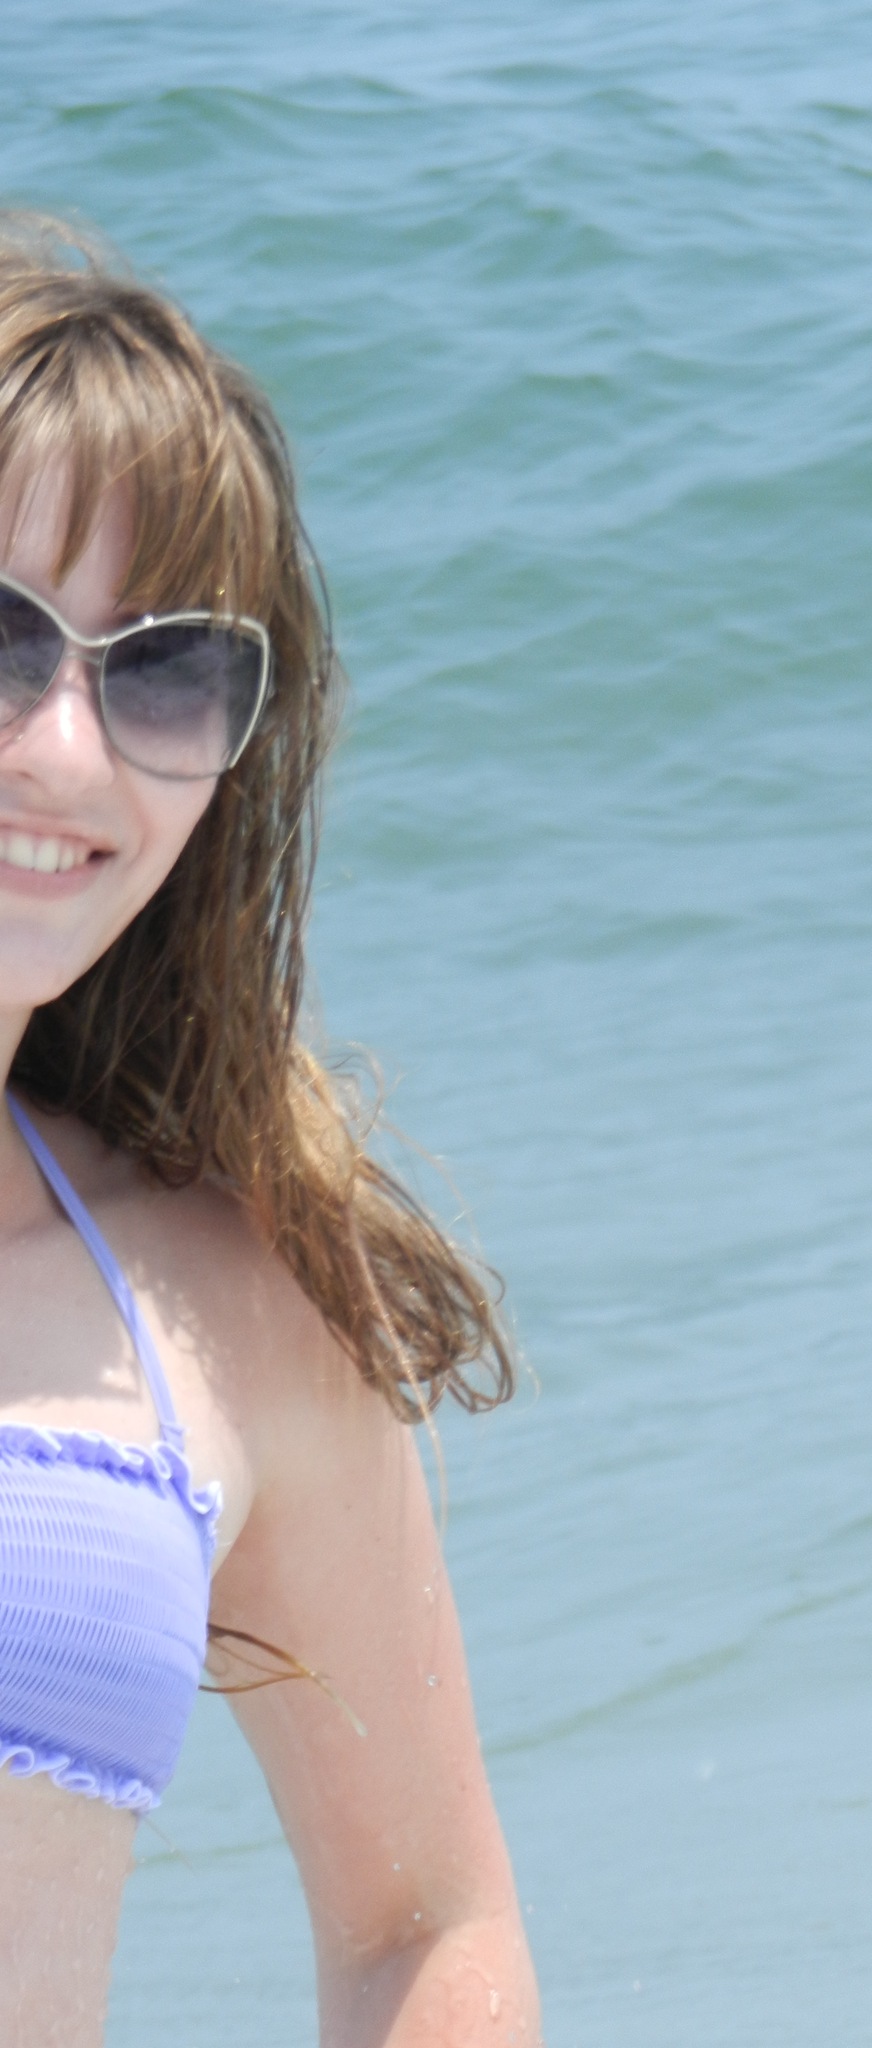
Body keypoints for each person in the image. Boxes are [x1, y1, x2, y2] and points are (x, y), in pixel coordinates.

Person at [0, 213, 541, 2047]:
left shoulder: (220, 1311)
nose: (65, 753)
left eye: (160, 671)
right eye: (0, 639)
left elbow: (425, 1922)